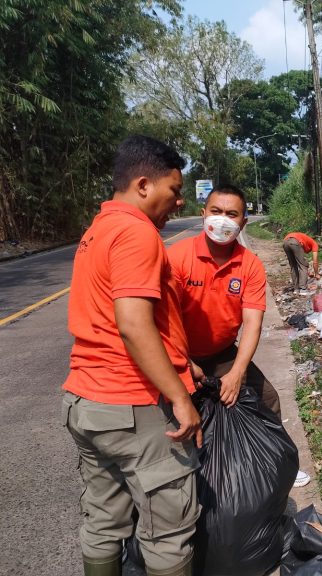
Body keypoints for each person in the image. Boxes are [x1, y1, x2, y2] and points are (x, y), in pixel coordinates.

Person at [62, 135, 201, 576]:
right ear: (143, 185)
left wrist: (182, 358)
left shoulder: (97, 229)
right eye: (174, 191)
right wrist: (179, 396)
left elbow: (121, 316)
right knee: (167, 531)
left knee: (103, 522)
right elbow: (132, 322)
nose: (178, 202)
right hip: (133, 407)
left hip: (87, 403)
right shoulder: (137, 233)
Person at [168, 185, 309, 487]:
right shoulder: (177, 257)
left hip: (222, 352)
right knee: (183, 413)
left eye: (232, 214)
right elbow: (163, 320)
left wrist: (237, 371)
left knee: (266, 398)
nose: (222, 220)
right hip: (179, 353)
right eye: (216, 212)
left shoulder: (250, 265)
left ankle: (278, 462)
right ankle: (188, 477)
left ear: (244, 222)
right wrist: (183, 362)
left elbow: (252, 322)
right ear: (203, 214)